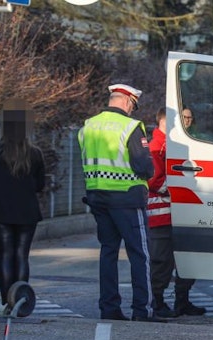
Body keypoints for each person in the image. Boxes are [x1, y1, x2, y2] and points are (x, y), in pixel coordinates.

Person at [79, 83, 163, 322]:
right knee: (140, 254)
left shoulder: (88, 126)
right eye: (133, 106)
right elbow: (143, 166)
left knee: (108, 253)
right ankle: (142, 310)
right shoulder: (130, 126)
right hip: (127, 198)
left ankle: (109, 308)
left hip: (97, 198)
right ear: (128, 102)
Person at [0, 100, 46, 316]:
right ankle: (21, 302)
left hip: (0, 211)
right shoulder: (35, 154)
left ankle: (5, 304)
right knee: (22, 256)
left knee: (5, 255)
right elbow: (40, 185)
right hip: (27, 212)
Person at [147, 107, 206, 318]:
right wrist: (179, 192)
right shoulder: (157, 145)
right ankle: (158, 303)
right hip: (162, 212)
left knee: (187, 259)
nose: (187, 122)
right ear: (165, 121)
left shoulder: (176, 144)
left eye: (190, 117)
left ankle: (182, 300)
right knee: (162, 261)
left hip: (181, 211)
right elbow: (154, 179)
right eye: (183, 118)